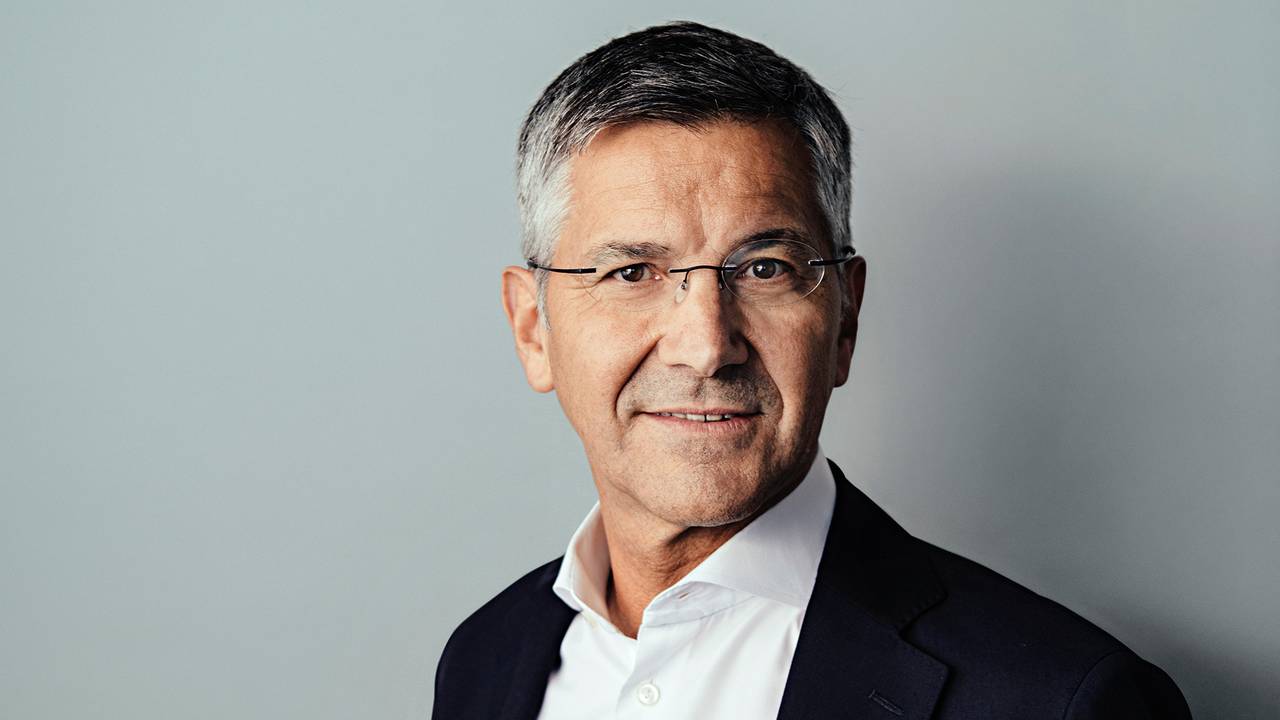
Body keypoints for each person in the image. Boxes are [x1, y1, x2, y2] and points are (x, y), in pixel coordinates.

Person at [433, 21, 1192, 719]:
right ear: (532, 328)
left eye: (765, 268)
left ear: (845, 319)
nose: (706, 345)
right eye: (632, 273)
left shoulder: (1066, 701)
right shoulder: (484, 659)